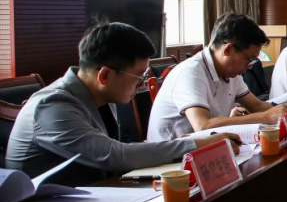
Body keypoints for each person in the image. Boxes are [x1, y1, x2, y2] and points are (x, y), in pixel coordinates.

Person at [5, 22, 239, 185]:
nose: (142, 85)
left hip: (92, 201)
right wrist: (196, 144)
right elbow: (114, 155)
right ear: (105, 75)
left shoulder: (101, 96)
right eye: (138, 77)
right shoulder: (53, 105)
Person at [148, 13, 287, 141]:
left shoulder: (231, 72)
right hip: (171, 161)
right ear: (228, 50)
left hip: (207, 148)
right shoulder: (191, 72)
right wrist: (265, 118)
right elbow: (203, 125)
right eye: (249, 59)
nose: (250, 66)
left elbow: (257, 106)